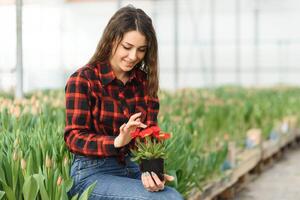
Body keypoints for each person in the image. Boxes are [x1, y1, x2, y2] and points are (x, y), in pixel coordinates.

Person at [64, 5, 183, 200]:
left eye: (141, 50)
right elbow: (74, 137)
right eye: (127, 47)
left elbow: (150, 132)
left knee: (172, 196)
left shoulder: (143, 82)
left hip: (131, 166)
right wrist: (117, 142)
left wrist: (152, 172)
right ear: (112, 40)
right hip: (92, 174)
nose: (133, 56)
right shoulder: (84, 80)